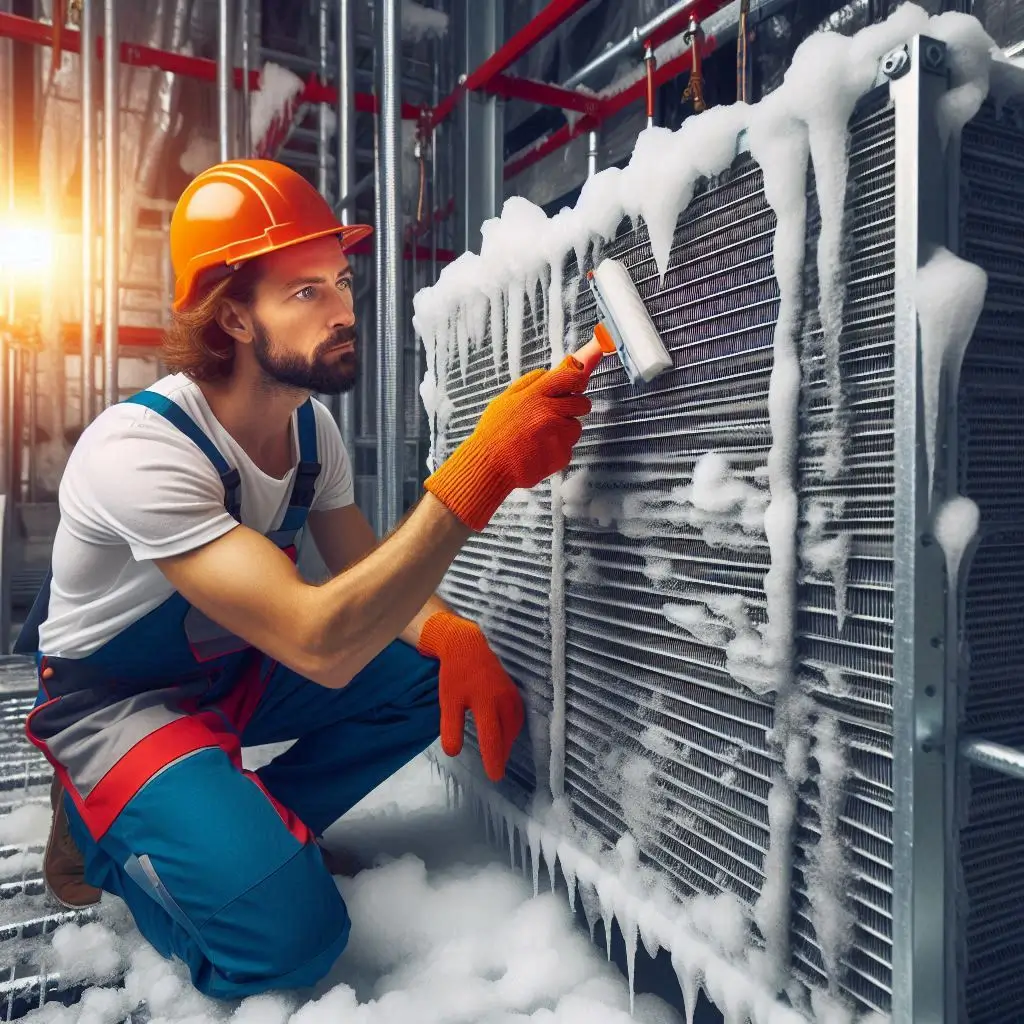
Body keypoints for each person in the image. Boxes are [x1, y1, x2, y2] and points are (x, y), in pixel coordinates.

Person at [17, 159, 593, 998]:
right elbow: (317, 641)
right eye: (304, 293)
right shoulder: (142, 450)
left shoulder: (309, 429)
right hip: (118, 705)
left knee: (425, 668)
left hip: (234, 671)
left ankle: (241, 835)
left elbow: (363, 570)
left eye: (341, 282)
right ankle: (104, 843)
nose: (343, 309)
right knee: (290, 944)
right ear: (235, 320)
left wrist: (449, 633)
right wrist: (484, 471)